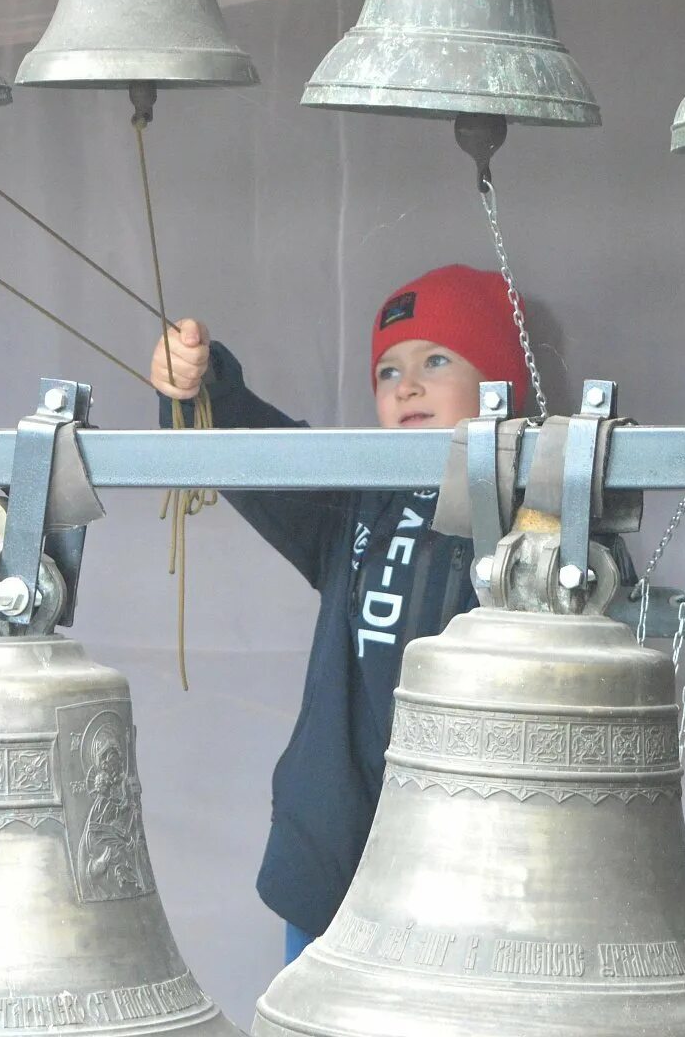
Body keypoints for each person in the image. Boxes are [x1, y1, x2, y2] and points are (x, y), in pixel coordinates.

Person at [150, 264, 533, 965]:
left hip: (475, 874)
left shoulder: (537, 518)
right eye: (387, 372)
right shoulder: (357, 496)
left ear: (500, 383)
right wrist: (202, 387)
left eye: (436, 361)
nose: (406, 385)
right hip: (328, 861)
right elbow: (260, 453)